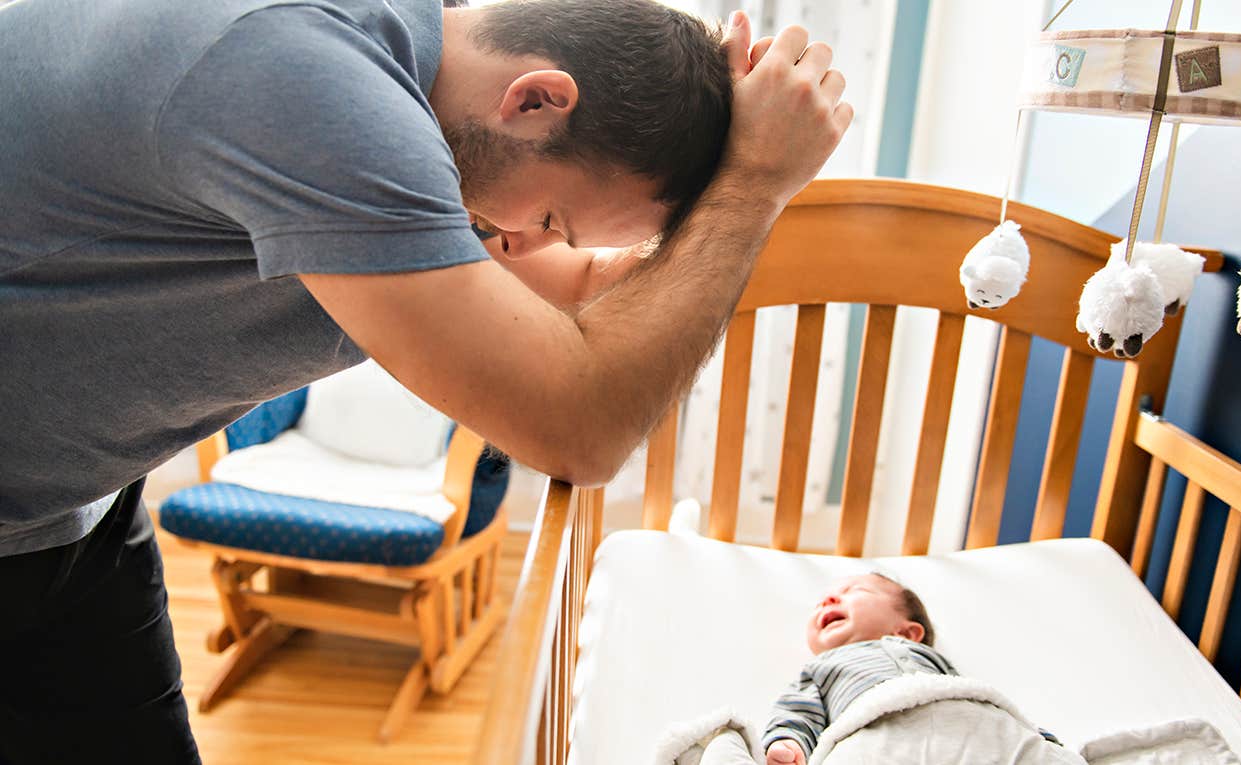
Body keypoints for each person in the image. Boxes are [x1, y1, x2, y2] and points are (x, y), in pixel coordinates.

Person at [0, 0, 851, 759]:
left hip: (70, 510)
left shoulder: (409, 87)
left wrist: (733, 163)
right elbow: (582, 427)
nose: (525, 246)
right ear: (535, 99)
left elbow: (598, 289)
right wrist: (751, 187)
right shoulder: (311, 85)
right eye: (552, 219)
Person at [761, 574, 1074, 765]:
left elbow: (988, 705)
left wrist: (1040, 738)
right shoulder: (821, 667)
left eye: (857, 591)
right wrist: (789, 744)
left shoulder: (932, 661)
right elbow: (796, 712)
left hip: (962, 724)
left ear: (907, 632)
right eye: (821, 603)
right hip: (877, 732)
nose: (828, 600)